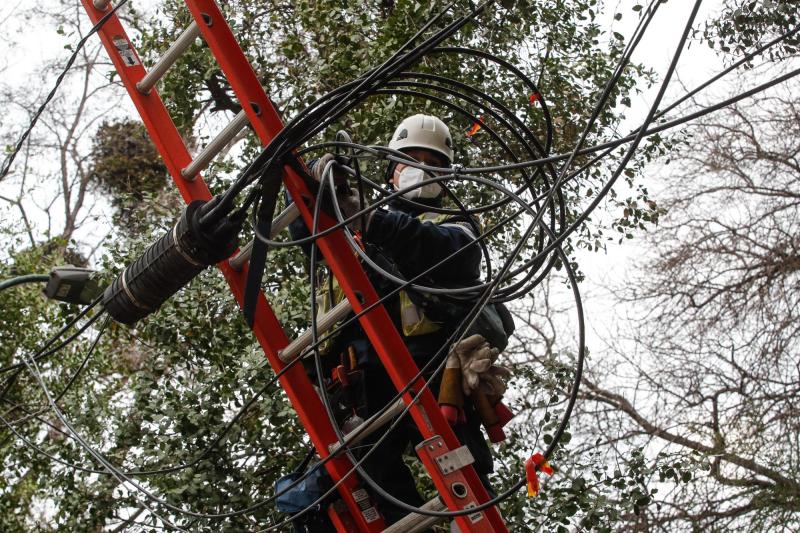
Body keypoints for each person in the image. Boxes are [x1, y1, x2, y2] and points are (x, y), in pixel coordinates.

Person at [289, 114, 505, 527]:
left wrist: (370, 220)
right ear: (391, 170)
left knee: (466, 476)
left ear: (445, 177)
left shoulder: (454, 226)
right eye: (412, 159)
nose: (422, 169)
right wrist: (315, 183)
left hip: (430, 371)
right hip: (361, 376)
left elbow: (445, 249)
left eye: (433, 162)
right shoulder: (352, 224)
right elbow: (305, 230)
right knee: (376, 478)